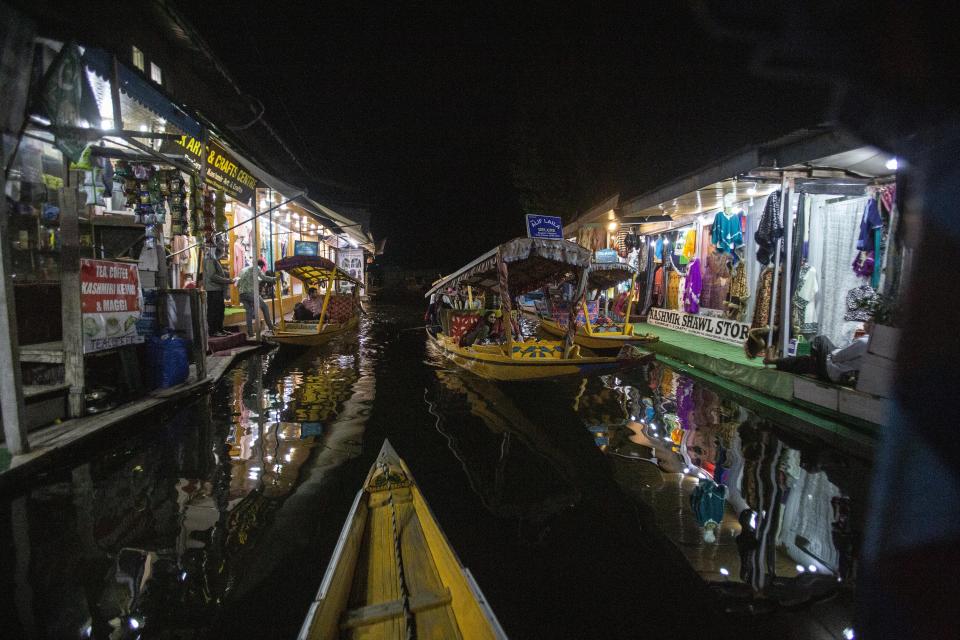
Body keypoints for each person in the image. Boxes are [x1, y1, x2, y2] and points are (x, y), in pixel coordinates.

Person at [763, 323, 872, 384]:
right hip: (840, 371)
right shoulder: (870, 341)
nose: (865, 323)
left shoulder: (864, 342)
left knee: (821, 340)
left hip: (835, 372)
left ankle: (813, 359)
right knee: (806, 361)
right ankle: (773, 360)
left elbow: (837, 357)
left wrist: (829, 354)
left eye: (869, 321)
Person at [203, 244, 236, 337]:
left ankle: (220, 329)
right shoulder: (210, 258)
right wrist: (228, 281)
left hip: (217, 288)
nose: (223, 253)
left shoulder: (214, 259)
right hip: (213, 289)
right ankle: (214, 331)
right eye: (222, 250)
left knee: (220, 310)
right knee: (214, 311)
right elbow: (212, 276)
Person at [237, 259, 276, 336]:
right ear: (261, 266)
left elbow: (239, 281)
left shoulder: (244, 269)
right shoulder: (257, 268)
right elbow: (263, 277)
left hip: (242, 294)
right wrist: (274, 279)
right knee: (265, 307)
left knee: (249, 312)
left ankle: (250, 333)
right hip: (250, 293)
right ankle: (271, 327)